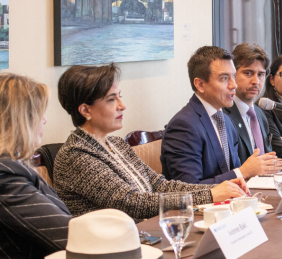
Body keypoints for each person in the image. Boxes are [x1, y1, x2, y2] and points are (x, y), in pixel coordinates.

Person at [54, 63, 247, 221]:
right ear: (85, 110)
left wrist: (221, 188)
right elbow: (132, 203)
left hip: (143, 235)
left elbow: (159, 185)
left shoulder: (116, 144)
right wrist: (211, 195)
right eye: (112, 100)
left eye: (120, 97)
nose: (122, 106)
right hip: (107, 252)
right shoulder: (77, 154)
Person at [0, 73, 72, 259]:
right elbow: (69, 237)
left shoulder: (13, 167)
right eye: (39, 114)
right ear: (20, 120)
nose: (45, 121)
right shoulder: (5, 177)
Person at [161, 46, 275, 184]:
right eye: (224, 78)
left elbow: (233, 171)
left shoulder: (226, 120)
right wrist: (242, 172)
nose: (234, 85)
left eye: (233, 76)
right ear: (200, 84)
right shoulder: (183, 126)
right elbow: (188, 190)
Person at [223, 42, 275, 164]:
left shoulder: (260, 114)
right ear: (233, 74)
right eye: (248, 73)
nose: (255, 81)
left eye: (261, 75)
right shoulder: (223, 114)